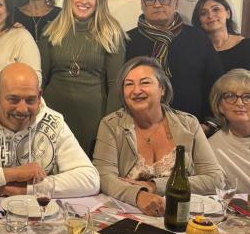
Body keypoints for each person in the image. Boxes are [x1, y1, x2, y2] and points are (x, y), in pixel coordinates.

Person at [0, 62, 100, 199]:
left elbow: (90, 179)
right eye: (13, 99)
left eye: (30, 100)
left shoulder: (55, 123)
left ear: (39, 96)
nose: (22, 109)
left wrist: (26, 190)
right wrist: (11, 174)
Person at [93, 57, 223, 216]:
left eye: (145, 82)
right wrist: (138, 196)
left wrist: (156, 186)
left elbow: (215, 179)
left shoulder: (189, 124)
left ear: (162, 89)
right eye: (129, 84)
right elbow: (104, 176)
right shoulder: (111, 125)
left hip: (180, 216)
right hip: (130, 214)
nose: (136, 90)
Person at [40, 0, 126, 156]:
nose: (84, 1)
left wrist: (109, 127)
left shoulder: (112, 33)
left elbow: (115, 86)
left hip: (93, 119)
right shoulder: (51, 30)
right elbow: (40, 80)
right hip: (52, 116)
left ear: (99, 1)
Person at [126, 0, 224, 126]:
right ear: (142, 4)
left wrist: (210, 123)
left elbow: (215, 83)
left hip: (192, 126)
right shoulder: (127, 41)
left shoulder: (198, 38)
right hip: (138, 126)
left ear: (176, 3)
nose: (157, 4)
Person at [192, 0, 250, 74]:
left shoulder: (247, 46)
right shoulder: (195, 49)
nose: (210, 16)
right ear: (199, 21)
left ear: (228, 14)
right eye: (203, 13)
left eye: (216, 9)